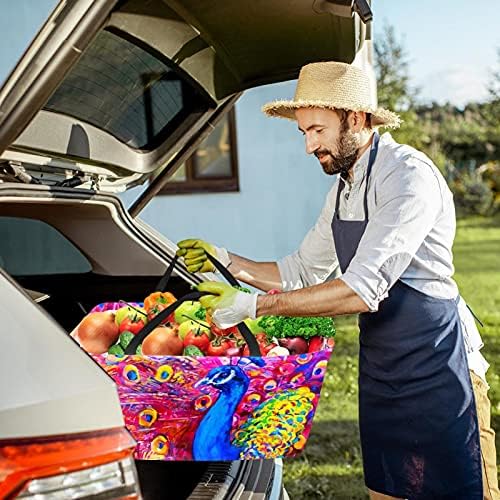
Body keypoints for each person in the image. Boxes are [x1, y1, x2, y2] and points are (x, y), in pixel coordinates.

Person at [176, 62, 499, 500]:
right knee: (387, 490)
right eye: (304, 133)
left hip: (438, 365)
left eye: (317, 130)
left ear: (356, 118)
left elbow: (362, 289)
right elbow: (302, 271)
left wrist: (255, 306)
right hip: (383, 366)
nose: (309, 146)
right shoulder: (344, 187)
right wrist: (228, 260)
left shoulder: (407, 177)